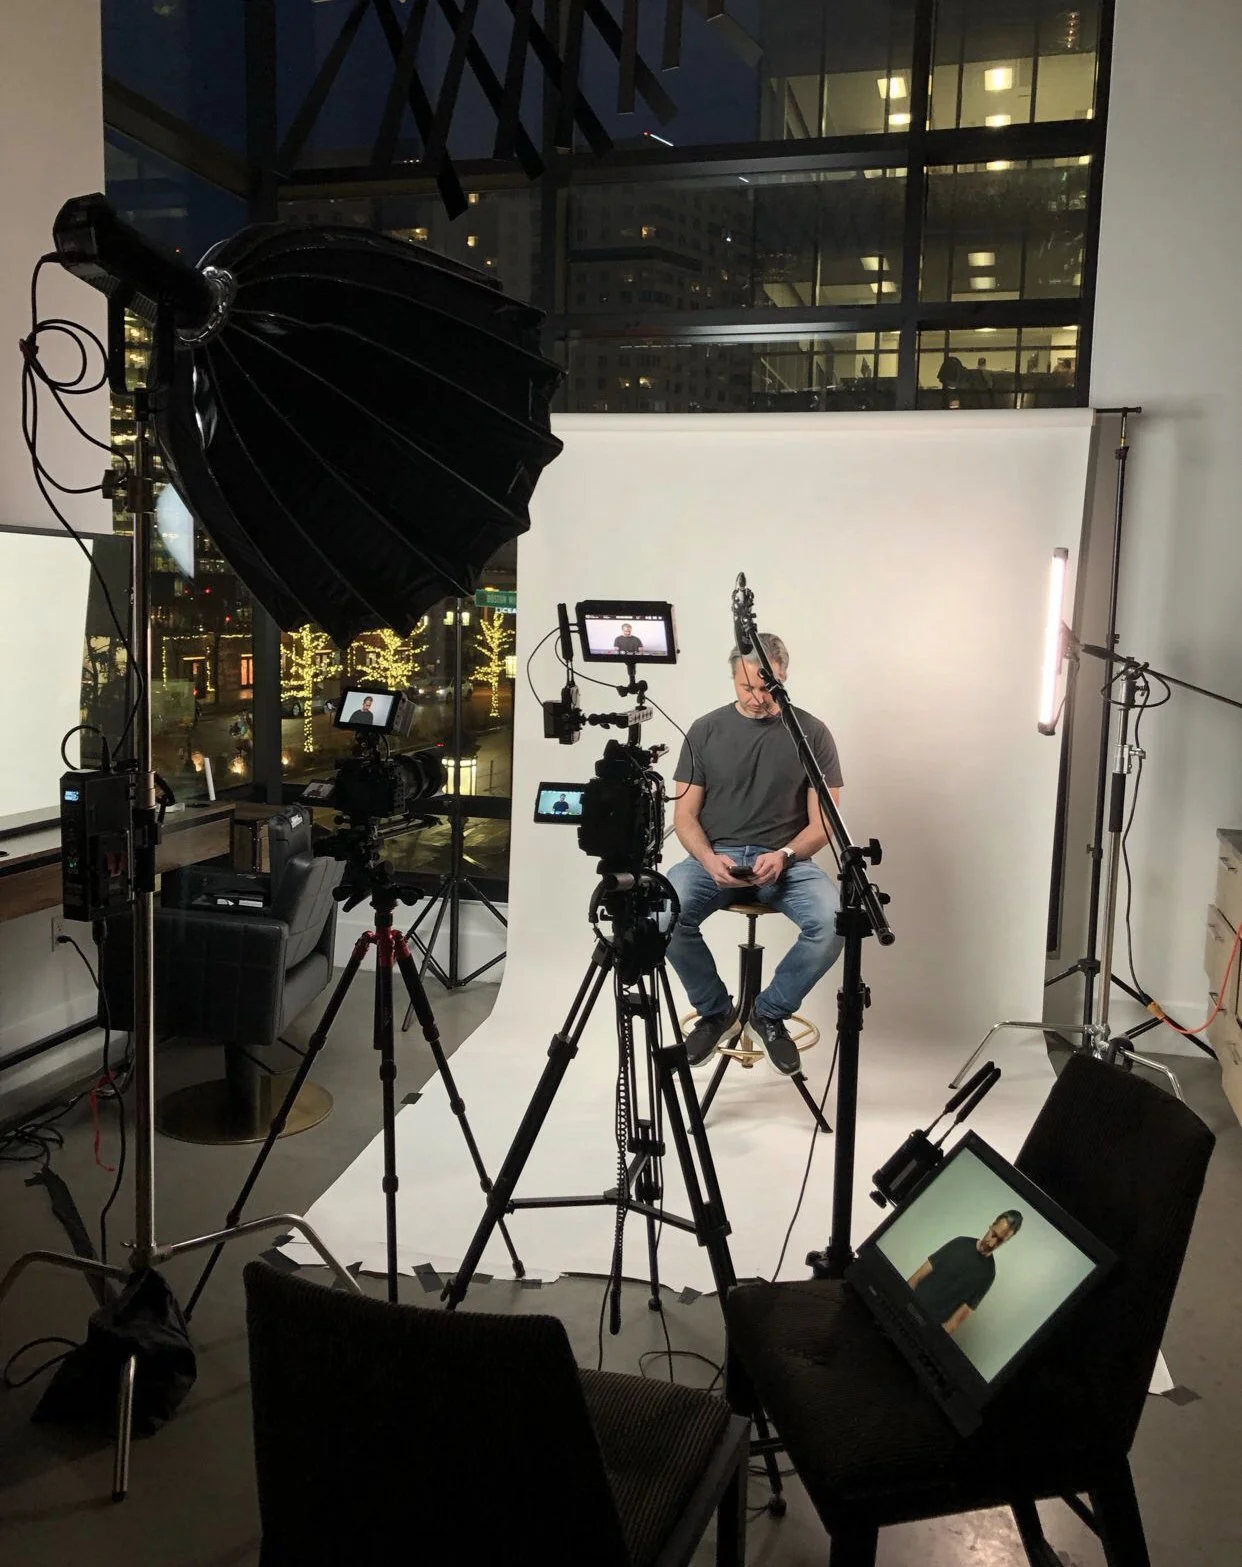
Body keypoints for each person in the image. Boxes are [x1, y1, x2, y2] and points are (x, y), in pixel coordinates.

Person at [668, 632, 844, 1075]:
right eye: (748, 687)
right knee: (660, 914)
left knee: (832, 923)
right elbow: (685, 816)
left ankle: (769, 1013)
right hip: (716, 857)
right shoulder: (705, 730)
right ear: (733, 677)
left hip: (787, 862)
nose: (758, 697)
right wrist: (709, 860)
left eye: (769, 686)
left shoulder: (812, 734)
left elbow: (824, 821)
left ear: (785, 677)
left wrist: (785, 855)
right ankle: (716, 1012)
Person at [906, 1211, 1024, 1335]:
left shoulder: (988, 1274)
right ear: (991, 1226)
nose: (992, 1243)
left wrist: (930, 1341)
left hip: (926, 1331)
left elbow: (955, 1321)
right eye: (993, 1234)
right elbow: (918, 1276)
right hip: (908, 1307)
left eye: (1000, 1241)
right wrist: (900, 1302)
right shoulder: (960, 1243)